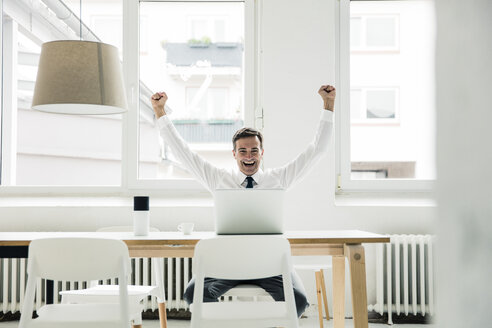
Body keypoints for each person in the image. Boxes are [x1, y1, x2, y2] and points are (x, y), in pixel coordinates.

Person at [150, 85, 336, 317]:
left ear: (262, 152)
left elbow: (317, 151)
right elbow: (183, 153)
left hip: (270, 265)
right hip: (227, 263)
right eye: (243, 151)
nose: (249, 157)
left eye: (254, 151)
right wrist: (160, 112)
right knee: (193, 294)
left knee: (298, 301)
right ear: (234, 154)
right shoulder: (218, 179)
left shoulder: (278, 179)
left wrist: (328, 106)